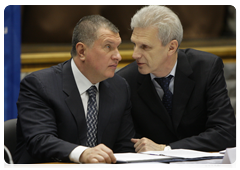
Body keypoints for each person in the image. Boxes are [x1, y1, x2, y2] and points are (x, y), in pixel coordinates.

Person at [13, 15, 135, 165]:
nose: (118, 56)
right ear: (82, 51)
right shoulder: (40, 84)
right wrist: (82, 153)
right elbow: (40, 140)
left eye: (118, 47)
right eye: (108, 47)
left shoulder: (119, 87)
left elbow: (124, 147)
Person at [117, 5, 237, 153]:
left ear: (171, 47)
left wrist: (167, 149)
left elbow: (225, 133)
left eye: (145, 47)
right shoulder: (124, 80)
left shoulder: (206, 68)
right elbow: (125, 143)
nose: (135, 54)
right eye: (134, 44)